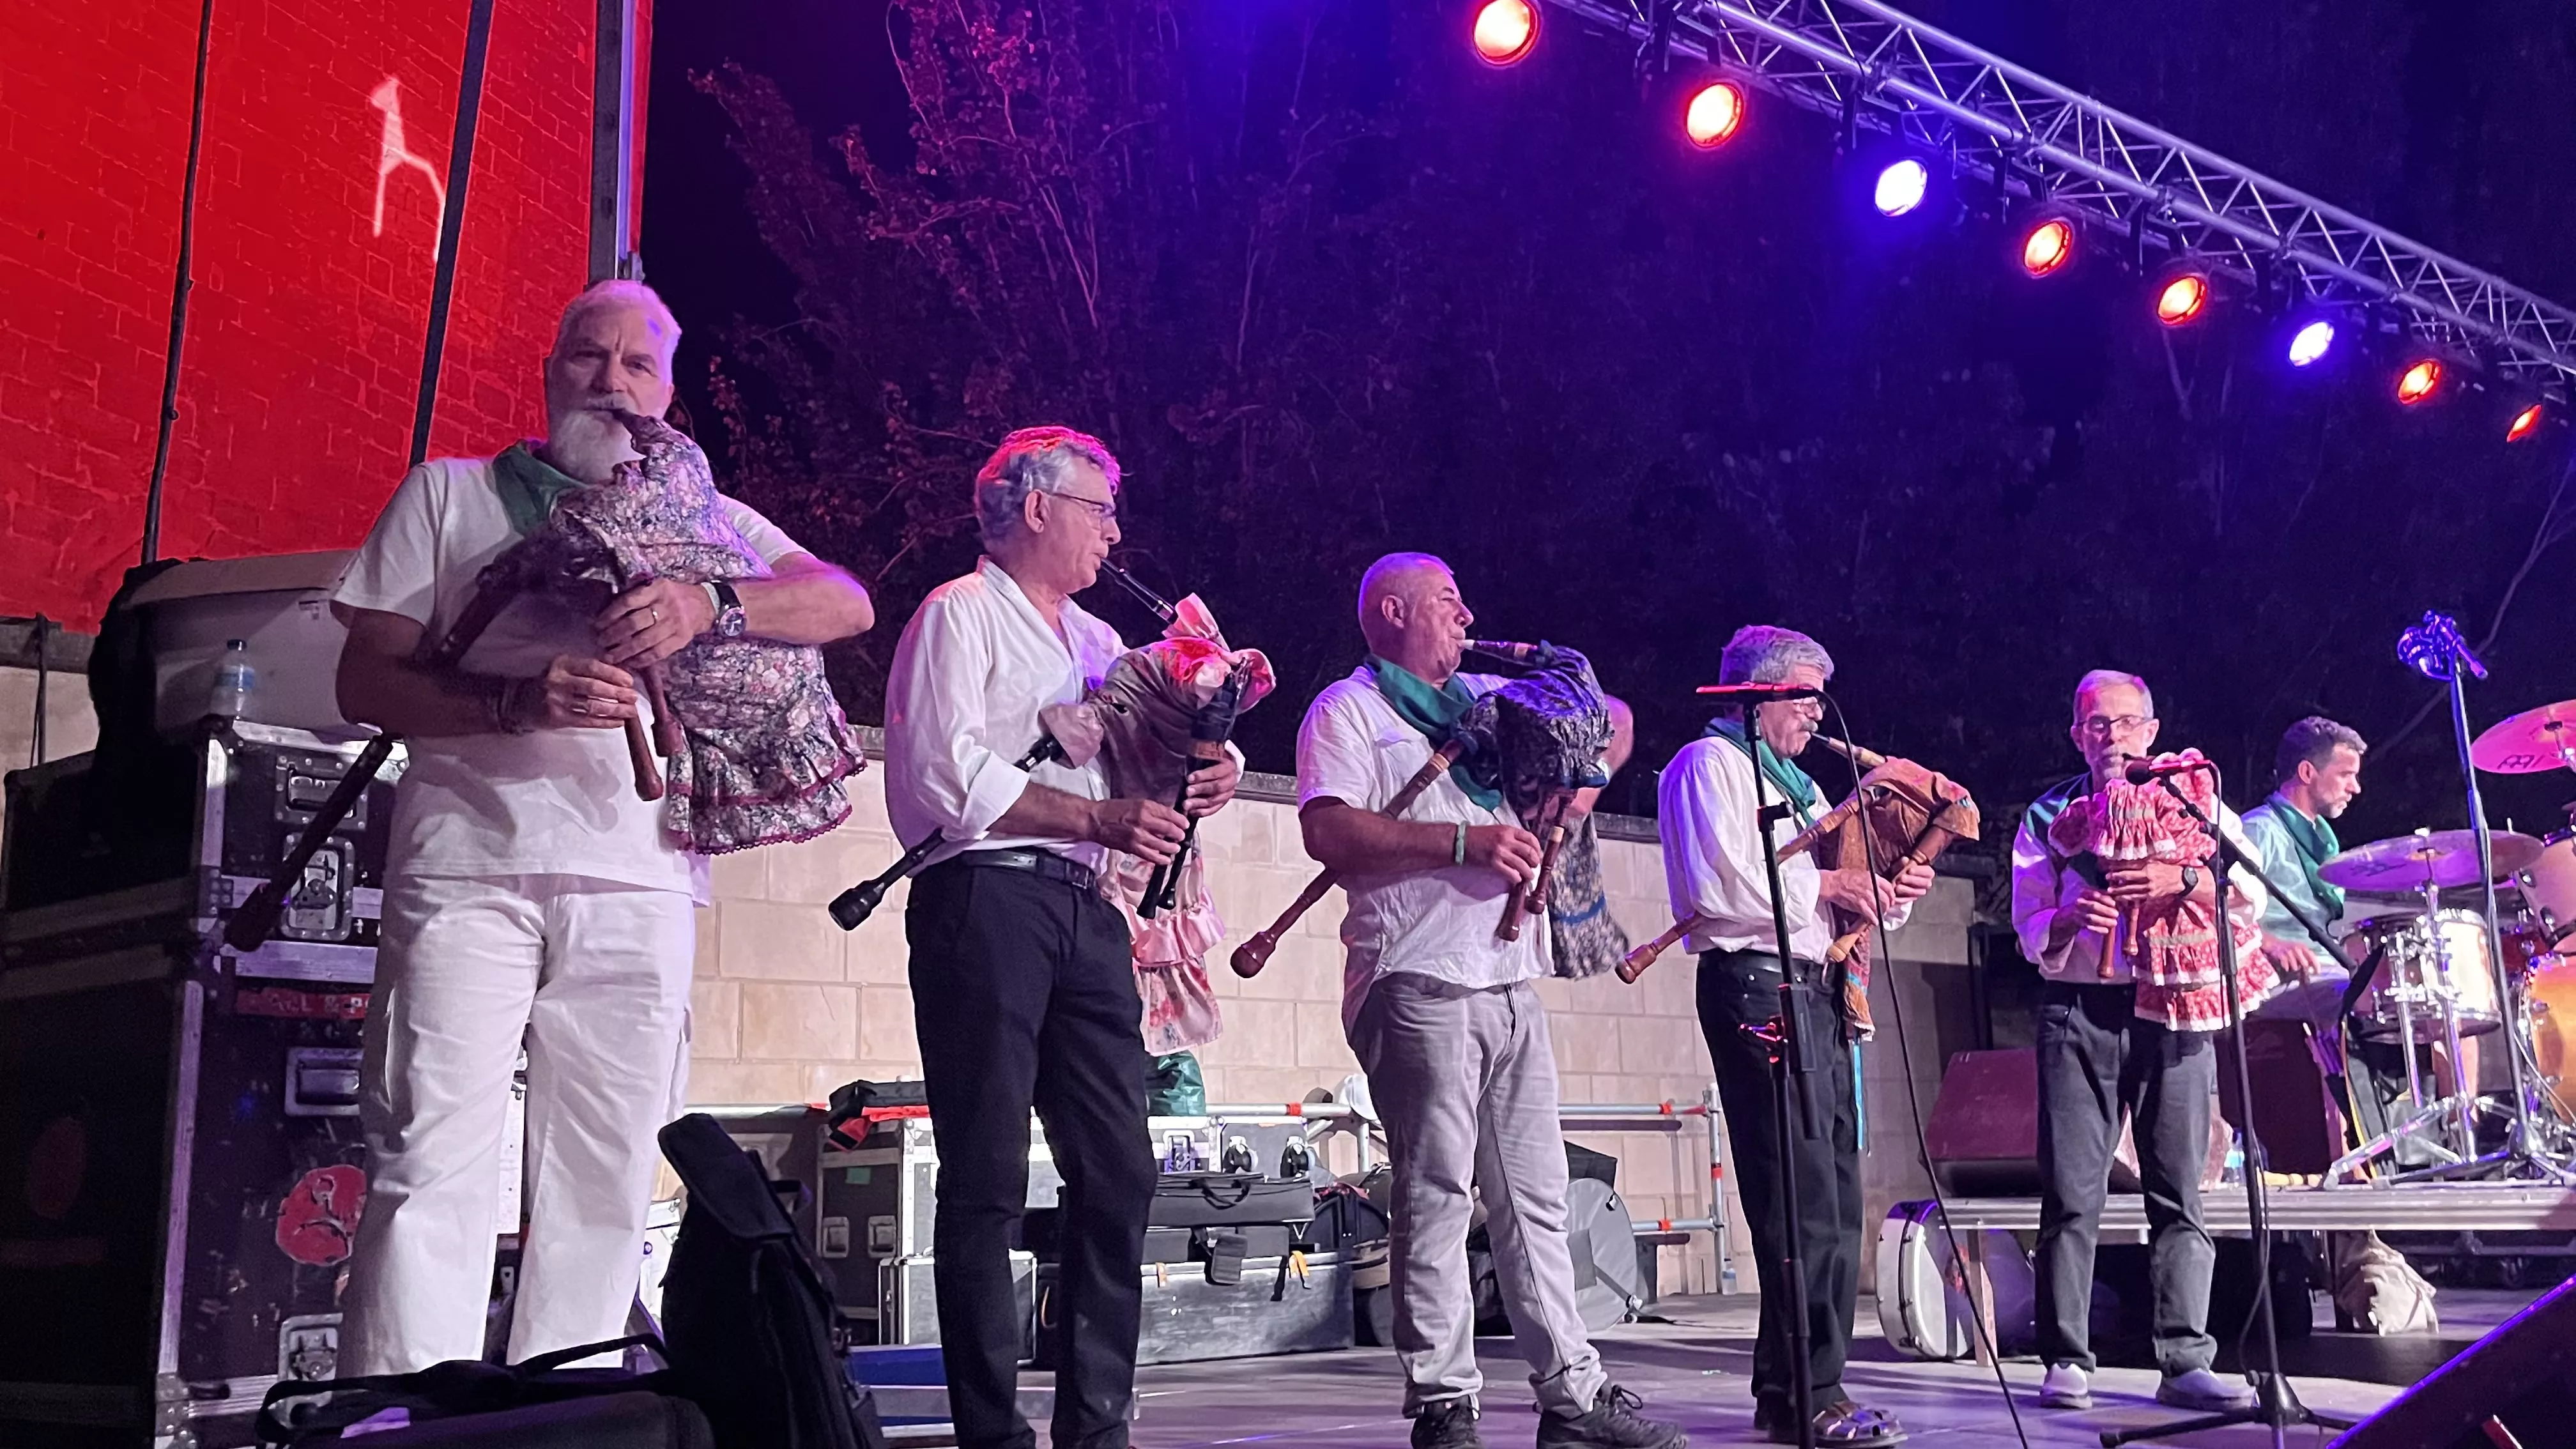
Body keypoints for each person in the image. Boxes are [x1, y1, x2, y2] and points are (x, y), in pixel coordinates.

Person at [332, 280, 876, 1374]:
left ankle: (572, 1405)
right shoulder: (451, 494)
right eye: (590, 356)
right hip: (467, 866)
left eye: (638, 366)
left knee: (606, 1167)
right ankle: (403, 1414)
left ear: (668, 393)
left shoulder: (700, 521)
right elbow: (363, 677)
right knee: (431, 1153)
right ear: (549, 371)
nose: (611, 384)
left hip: (641, 876)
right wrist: (512, 703)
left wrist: (706, 600)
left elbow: (844, 599)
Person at [881, 426, 1239, 1449]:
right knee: (988, 1176)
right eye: (1100, 507)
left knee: (1119, 1166)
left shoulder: (1094, 644)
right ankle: (993, 1433)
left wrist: (1211, 767)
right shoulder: (958, 616)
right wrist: (1092, 819)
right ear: (1036, 508)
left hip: (1088, 912)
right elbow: (946, 781)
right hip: (983, 899)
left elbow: (1155, 738)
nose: (1115, 531)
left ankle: (1096, 1424)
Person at [1295, 553, 1682, 1449]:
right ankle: (1444, 1404)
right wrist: (1464, 841)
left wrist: (1573, 792)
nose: (1467, 616)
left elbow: (1613, 722)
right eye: (1446, 602)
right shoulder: (1347, 710)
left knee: (1538, 1196)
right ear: (1391, 613)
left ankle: (1573, 1399)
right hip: (1416, 977)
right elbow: (1329, 831)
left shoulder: (1481, 698)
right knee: (1435, 1193)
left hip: (1510, 980)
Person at [1654, 625, 1927, 1448]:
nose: (1815, 713)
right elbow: (1720, 888)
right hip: (1755, 983)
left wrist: (1889, 889)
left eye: (1817, 697)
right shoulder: (1709, 766)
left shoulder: (1802, 788)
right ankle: (1805, 1392)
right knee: (1796, 1197)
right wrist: (1833, 881)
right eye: (1803, 695)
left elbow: (1837, 899)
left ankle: (1809, 1387)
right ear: (1757, 696)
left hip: (1816, 990)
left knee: (1835, 1195)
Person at [2011, 670, 2264, 1414]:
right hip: (2079, 1010)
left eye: (2126, 723)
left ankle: (2186, 1359)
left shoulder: (2194, 796)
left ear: (2151, 730)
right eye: (2096, 725)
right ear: (2076, 734)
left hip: (2176, 1012)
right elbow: (2027, 922)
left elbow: (2245, 891)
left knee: (2181, 1190)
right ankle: (2066, 1359)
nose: (2112, 737)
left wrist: (2181, 875)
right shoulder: (2050, 813)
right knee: (2070, 1193)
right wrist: (2067, 920)